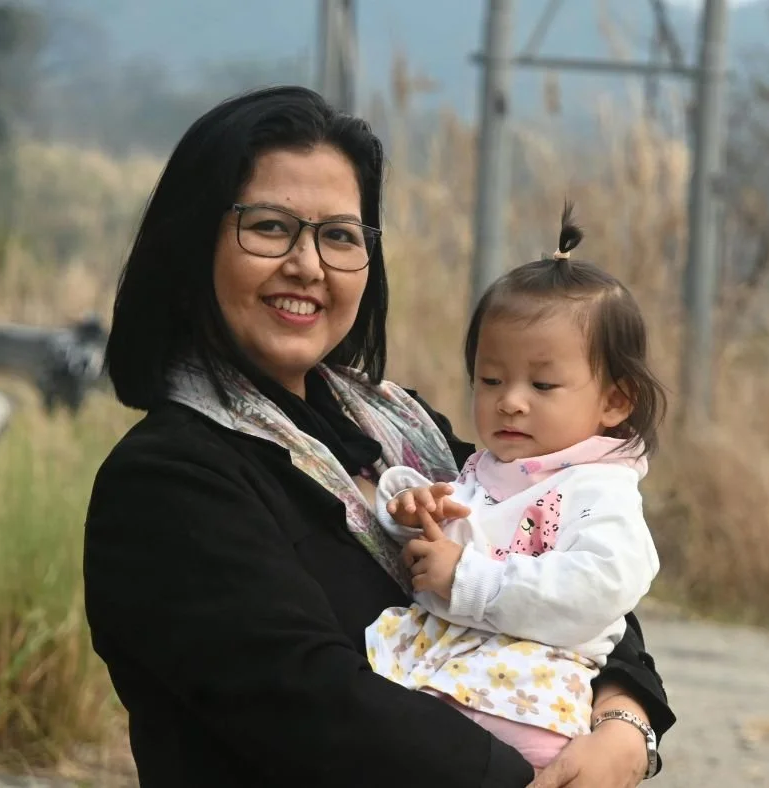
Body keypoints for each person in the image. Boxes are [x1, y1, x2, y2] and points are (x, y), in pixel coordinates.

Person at [82, 85, 675, 788]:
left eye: (338, 235)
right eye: (269, 226)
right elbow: (315, 707)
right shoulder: (169, 481)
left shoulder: (405, 431)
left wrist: (624, 723)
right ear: (194, 242)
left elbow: (568, 567)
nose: (308, 264)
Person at [366, 205, 665, 773]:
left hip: (530, 709)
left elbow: (602, 587)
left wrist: (468, 582)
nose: (510, 400)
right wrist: (415, 504)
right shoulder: (489, 469)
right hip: (443, 683)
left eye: (543, 383)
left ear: (615, 401)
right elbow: (463, 529)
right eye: (491, 379)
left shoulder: (600, 488)